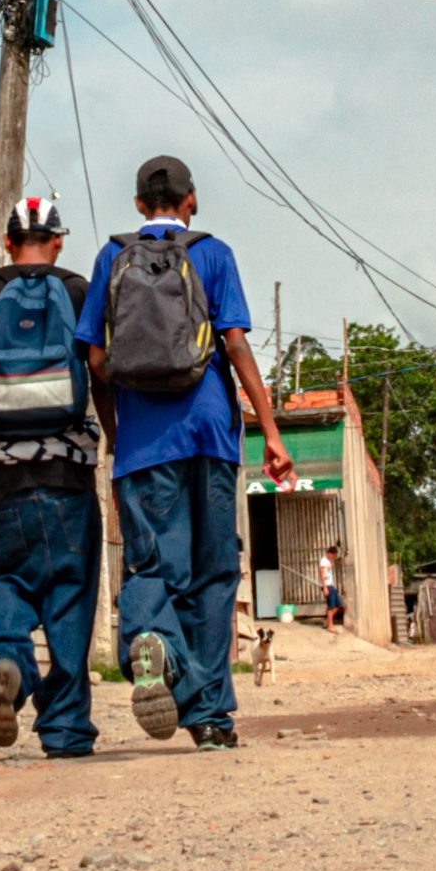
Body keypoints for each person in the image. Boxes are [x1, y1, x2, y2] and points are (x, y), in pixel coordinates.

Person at [76, 155, 292, 750]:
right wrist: (270, 432)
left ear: (140, 203)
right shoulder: (214, 254)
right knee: (215, 574)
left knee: (153, 566)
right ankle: (213, 719)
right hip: (212, 436)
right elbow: (237, 345)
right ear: (191, 200)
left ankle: (155, 644)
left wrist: (117, 430)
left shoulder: (111, 257)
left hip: (145, 444)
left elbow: (95, 358)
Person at [0, 195, 114, 757]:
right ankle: (63, 729)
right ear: (57, 240)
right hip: (68, 482)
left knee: (4, 584)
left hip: (0, 487)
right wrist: (116, 443)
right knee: (70, 597)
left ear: (6, 241)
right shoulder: (79, 292)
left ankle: (5, 659)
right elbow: (102, 375)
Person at [319, 544, 343, 634]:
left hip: (331, 586)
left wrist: (331, 563)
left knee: (337, 606)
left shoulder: (328, 561)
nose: (334, 557)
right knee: (331, 606)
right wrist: (325, 588)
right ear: (329, 553)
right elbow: (321, 574)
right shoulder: (323, 561)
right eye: (334, 555)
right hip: (327, 586)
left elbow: (328, 569)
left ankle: (327, 621)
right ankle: (330, 626)